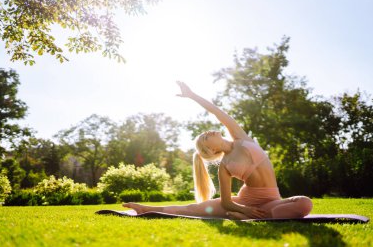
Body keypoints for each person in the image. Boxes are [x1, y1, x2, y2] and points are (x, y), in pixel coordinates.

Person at [123, 81, 313, 219]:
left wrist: (192, 95)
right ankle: (144, 208)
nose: (208, 132)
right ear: (211, 150)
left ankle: (249, 217)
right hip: (244, 202)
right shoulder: (225, 166)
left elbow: (216, 111)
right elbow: (226, 202)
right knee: (192, 209)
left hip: (271, 200)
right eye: (206, 137)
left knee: (305, 203)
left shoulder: (240, 137)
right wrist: (244, 209)